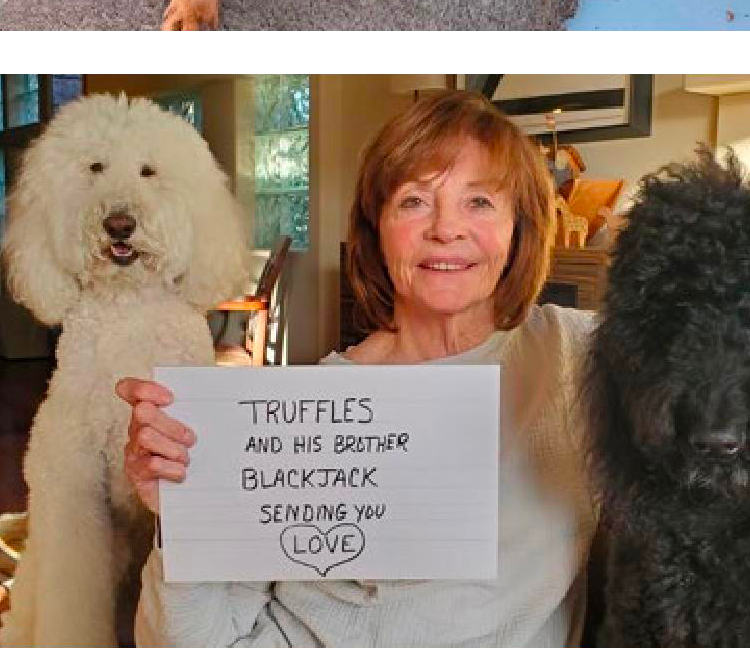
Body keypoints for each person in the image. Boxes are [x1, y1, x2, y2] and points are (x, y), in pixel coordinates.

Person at [118, 90, 599, 648]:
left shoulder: (577, 356)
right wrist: (181, 514)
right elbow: (190, 641)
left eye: (481, 202)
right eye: (414, 201)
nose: (446, 229)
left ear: (521, 228)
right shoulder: (303, 410)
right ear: (376, 229)